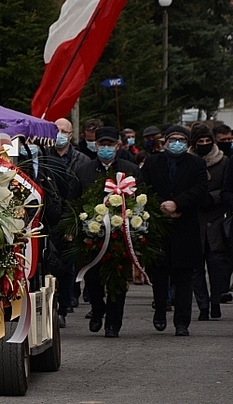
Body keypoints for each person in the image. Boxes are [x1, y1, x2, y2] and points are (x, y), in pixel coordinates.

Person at [69, 126, 141, 338]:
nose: (106, 148)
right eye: (102, 145)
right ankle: (98, 310)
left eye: (110, 145)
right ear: (96, 146)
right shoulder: (84, 170)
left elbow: (140, 200)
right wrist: (73, 227)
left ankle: (113, 323)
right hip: (91, 236)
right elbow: (73, 200)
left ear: (118, 146)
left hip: (121, 236)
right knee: (92, 279)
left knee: (118, 280)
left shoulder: (130, 170)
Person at [141, 125, 208, 336]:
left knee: (184, 277)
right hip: (159, 226)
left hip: (185, 226)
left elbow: (199, 190)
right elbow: (143, 188)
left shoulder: (196, 163)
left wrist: (177, 204)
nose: (177, 143)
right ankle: (160, 311)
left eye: (181, 139)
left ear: (187, 143)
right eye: (173, 139)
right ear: (165, 141)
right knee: (159, 274)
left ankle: (182, 322)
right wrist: (162, 205)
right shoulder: (152, 162)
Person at [45, 118, 88, 316]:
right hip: (50, 216)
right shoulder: (45, 156)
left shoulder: (82, 160)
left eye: (64, 131)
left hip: (71, 214)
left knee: (68, 263)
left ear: (71, 135)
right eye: (56, 130)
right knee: (50, 263)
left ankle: (66, 302)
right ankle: (53, 304)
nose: (59, 134)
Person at [189, 124, 230, 320]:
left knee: (216, 264)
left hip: (215, 219)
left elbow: (227, 188)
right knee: (196, 267)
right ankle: (202, 305)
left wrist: (212, 198)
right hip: (193, 219)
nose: (204, 145)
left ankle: (215, 302)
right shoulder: (188, 162)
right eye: (200, 142)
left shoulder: (223, 161)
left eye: (207, 141)